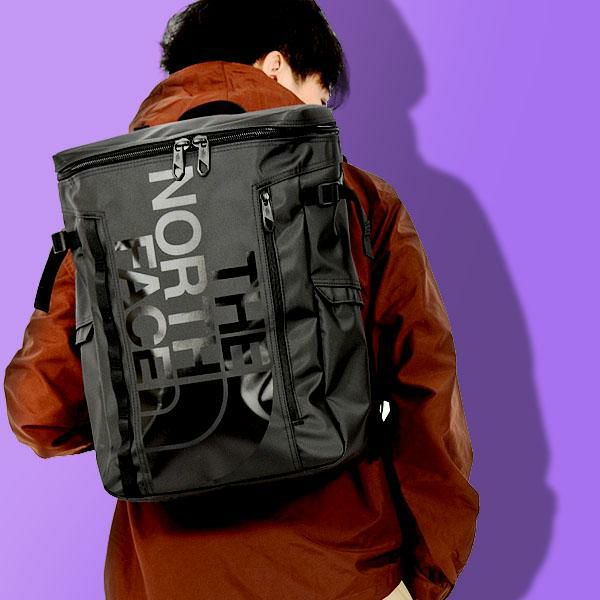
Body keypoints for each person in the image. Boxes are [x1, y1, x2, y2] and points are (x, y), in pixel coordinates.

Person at [3, 2, 479, 599]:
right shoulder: (360, 199)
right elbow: (425, 391)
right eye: (319, 97)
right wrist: (426, 576)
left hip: (165, 580)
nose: (320, 118)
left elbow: (39, 411)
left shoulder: (107, 211)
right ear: (277, 65)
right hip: (342, 572)